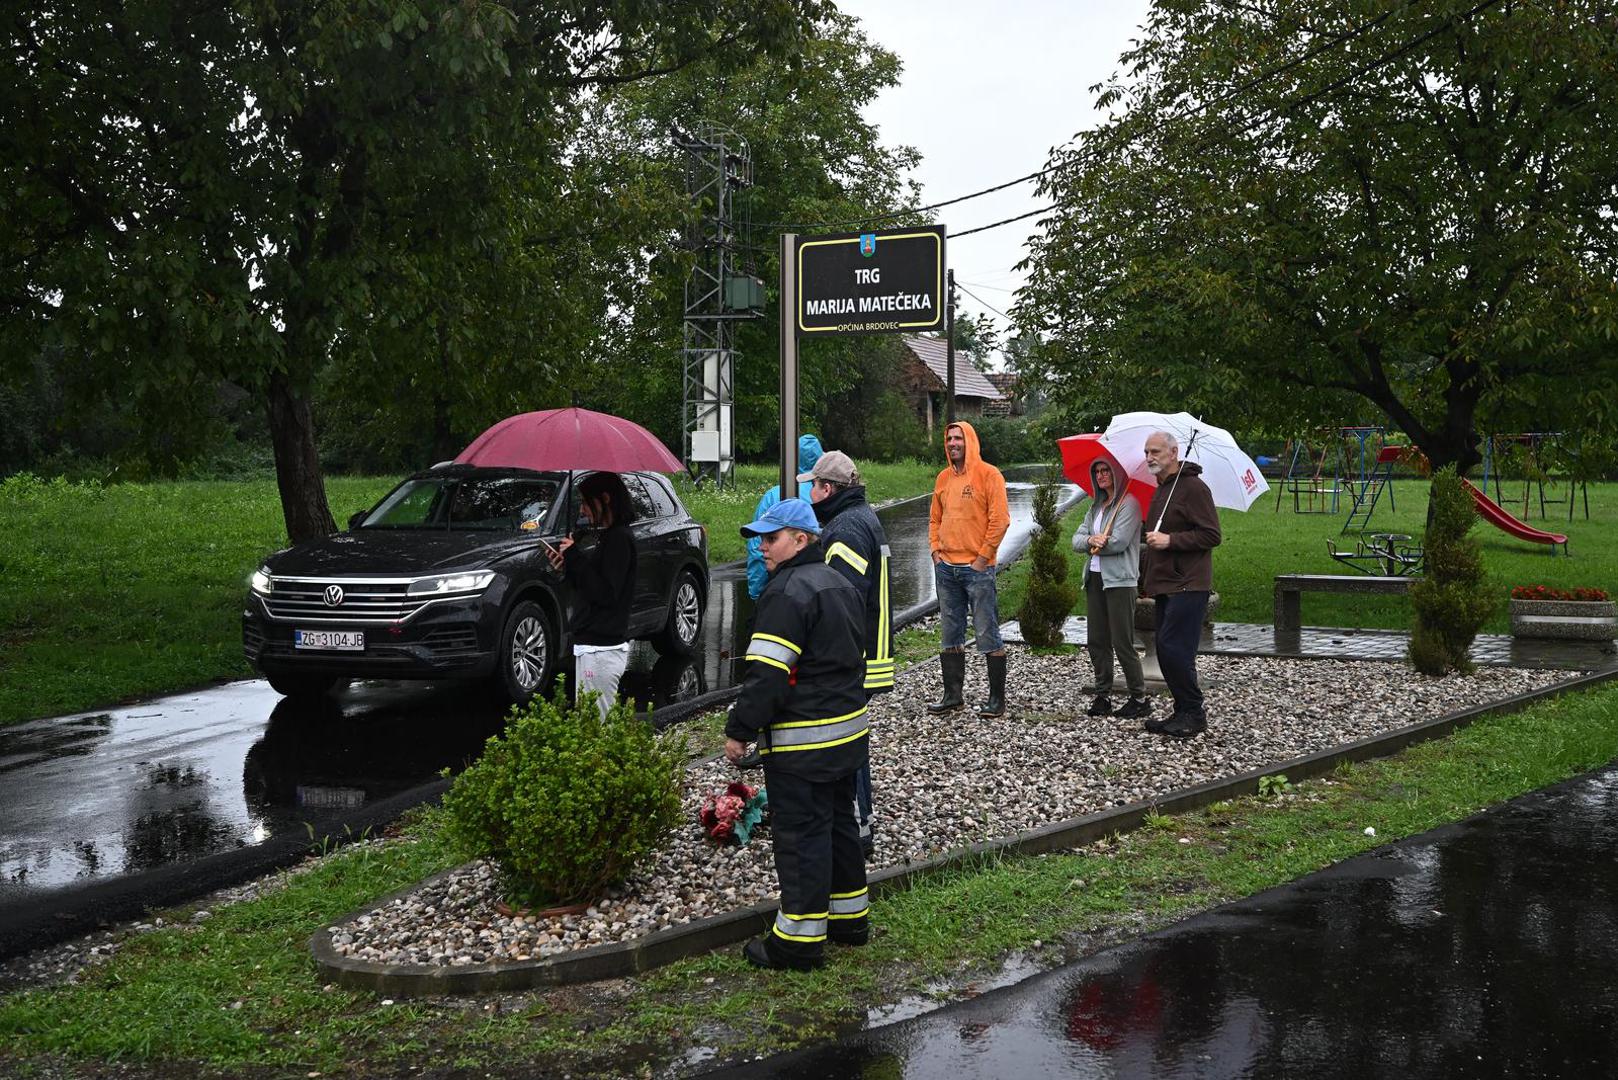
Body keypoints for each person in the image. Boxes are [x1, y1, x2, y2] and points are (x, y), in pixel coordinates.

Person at [726, 498, 870, 971]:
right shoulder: (840, 583)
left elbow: (766, 676)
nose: (762, 548)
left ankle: (799, 943)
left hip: (801, 745)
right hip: (847, 737)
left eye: (771, 539)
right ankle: (850, 920)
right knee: (840, 827)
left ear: (801, 539)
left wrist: (739, 731)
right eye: (760, 539)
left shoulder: (786, 593)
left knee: (802, 836)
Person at [801, 450, 892, 857]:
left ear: (829, 488)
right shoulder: (859, 518)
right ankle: (859, 824)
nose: (810, 497)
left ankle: (857, 829)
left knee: (846, 746)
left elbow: (842, 602)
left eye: (813, 488)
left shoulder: (847, 530)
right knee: (850, 741)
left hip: (855, 659)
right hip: (867, 656)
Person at [1139, 431, 1221, 738]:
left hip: (1189, 583)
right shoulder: (1162, 490)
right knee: (1165, 647)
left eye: (1156, 451)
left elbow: (1212, 535)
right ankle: (1182, 710)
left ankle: (1193, 711)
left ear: (1174, 453)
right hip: (1165, 583)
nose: (1149, 457)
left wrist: (1170, 540)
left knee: (1176, 649)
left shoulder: (1193, 488)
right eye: (1147, 452)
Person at [927, 421, 1011, 718]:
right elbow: (935, 519)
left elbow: (1000, 520)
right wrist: (935, 551)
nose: (953, 443)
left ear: (970, 441)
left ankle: (996, 700)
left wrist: (982, 558)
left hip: (977, 570)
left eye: (958, 438)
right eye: (949, 438)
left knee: (987, 631)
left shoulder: (990, 475)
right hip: (946, 569)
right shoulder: (943, 478)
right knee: (950, 633)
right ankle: (952, 696)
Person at [546, 471, 637, 719]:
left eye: (586, 503)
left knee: (596, 725)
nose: (583, 511)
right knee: (590, 722)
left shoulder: (619, 539)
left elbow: (606, 593)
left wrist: (575, 556)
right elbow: (591, 587)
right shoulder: (608, 538)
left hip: (602, 650)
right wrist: (567, 567)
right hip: (592, 646)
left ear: (605, 499)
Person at [1072, 458, 1150, 720]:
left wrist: (1095, 542)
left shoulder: (1129, 504)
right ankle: (1103, 694)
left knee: (1122, 641)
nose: (1101, 475)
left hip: (1119, 582)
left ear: (1117, 473)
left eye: (1106, 470)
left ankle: (1138, 697)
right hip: (1094, 579)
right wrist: (1092, 540)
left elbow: (1118, 543)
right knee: (1097, 640)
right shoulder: (1096, 507)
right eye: (1097, 471)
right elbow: (1076, 539)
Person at [746, 433, 824, 600]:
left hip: (780, 589)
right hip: (820, 588)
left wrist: (757, 593)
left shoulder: (774, 495)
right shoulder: (825, 494)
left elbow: (756, 548)